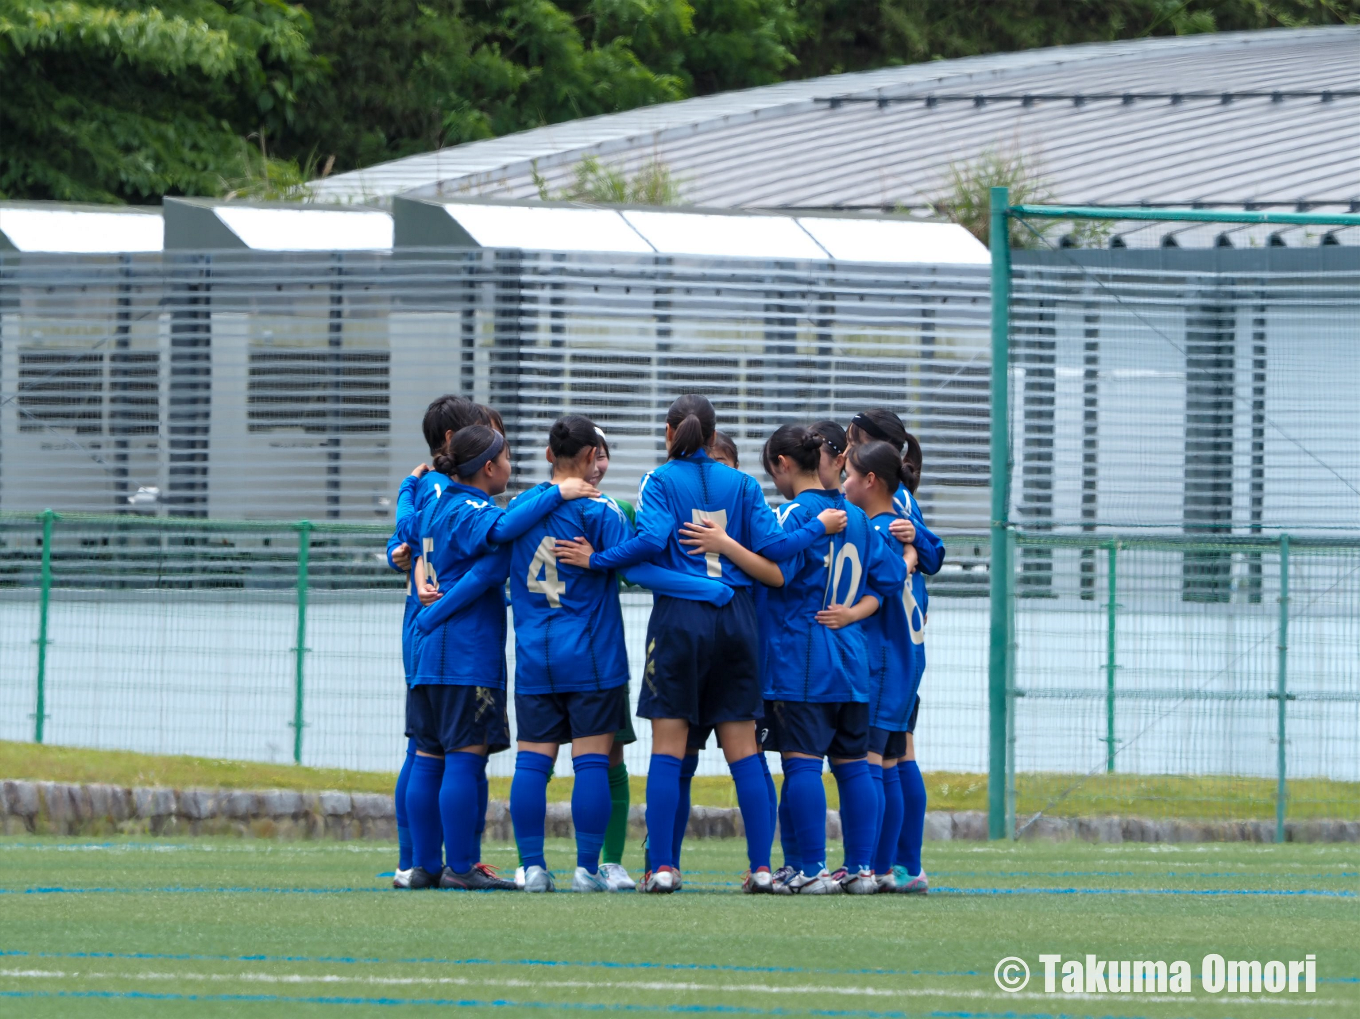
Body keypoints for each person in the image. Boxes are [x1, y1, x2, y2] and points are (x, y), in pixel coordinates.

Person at [555, 395, 844, 894]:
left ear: (670, 433)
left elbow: (649, 543)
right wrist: (816, 528)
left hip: (679, 621)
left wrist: (597, 560)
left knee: (669, 750)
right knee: (744, 753)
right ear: (714, 439)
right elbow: (774, 553)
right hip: (736, 618)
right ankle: (759, 868)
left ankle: (663, 868)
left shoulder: (660, 481)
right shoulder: (744, 484)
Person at [689, 424, 904, 894]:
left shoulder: (790, 516)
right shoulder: (859, 519)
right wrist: (853, 612)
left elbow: (774, 571)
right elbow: (888, 579)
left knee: (802, 764)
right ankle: (862, 869)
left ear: (783, 465)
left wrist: (726, 546)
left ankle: (808, 868)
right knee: (851, 766)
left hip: (802, 661)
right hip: (852, 663)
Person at [405, 424, 597, 890]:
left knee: (428, 759)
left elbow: (419, 544)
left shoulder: (433, 503)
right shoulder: (472, 507)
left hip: (428, 656)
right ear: (488, 467)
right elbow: (505, 528)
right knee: (462, 761)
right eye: (507, 457)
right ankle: (462, 866)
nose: (512, 467)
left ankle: (423, 865)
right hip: (463, 656)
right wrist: (555, 491)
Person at [845, 410, 944, 894]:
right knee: (896, 752)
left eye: (849, 449)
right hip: (903, 643)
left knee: (885, 754)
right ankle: (899, 864)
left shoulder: (891, 508)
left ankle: (887, 865)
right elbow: (927, 553)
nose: (843, 460)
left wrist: (909, 551)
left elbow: (916, 561)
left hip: (889, 644)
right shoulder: (891, 503)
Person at [385, 394, 481, 889]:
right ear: (452, 440)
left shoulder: (422, 487)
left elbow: (404, 537)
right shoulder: (451, 492)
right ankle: (450, 861)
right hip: (443, 625)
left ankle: (416, 860)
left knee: (422, 748)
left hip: (417, 620)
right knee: (452, 747)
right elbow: (410, 537)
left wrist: (397, 553)